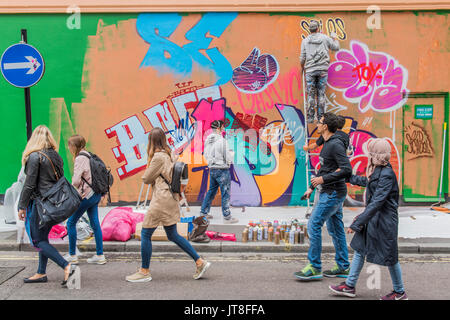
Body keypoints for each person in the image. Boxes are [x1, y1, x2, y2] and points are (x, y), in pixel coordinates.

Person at [126, 127, 211, 282]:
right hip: (171, 198)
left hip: (161, 200)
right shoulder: (169, 154)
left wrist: (149, 160)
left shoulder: (158, 157)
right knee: (172, 234)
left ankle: (144, 271)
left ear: (151, 142)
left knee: (145, 234)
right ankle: (200, 262)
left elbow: (146, 178)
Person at [329, 138, 408, 300]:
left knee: (391, 257)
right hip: (374, 219)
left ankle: (400, 292)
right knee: (360, 249)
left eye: (371, 152)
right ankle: (349, 286)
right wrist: (349, 177)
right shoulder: (381, 169)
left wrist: (358, 223)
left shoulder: (387, 174)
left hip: (384, 222)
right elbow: (369, 182)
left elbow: (377, 202)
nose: (369, 155)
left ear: (377, 154)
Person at [295, 113, 352, 281]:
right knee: (336, 230)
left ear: (325, 126)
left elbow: (346, 169)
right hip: (331, 190)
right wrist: (312, 187)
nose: (317, 125)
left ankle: (314, 267)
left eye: (319, 123)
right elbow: (326, 169)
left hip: (332, 192)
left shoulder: (334, 145)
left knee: (313, 224)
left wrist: (322, 180)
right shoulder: (328, 142)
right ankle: (343, 266)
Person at [17, 125, 76, 286]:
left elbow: (29, 185)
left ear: (33, 140)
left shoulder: (35, 157)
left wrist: (21, 206)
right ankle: (41, 272)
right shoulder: (55, 156)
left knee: (37, 240)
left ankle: (67, 266)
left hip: (39, 205)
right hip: (53, 204)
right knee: (42, 238)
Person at [64, 134, 105, 265]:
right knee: (95, 223)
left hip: (86, 195)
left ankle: (72, 255)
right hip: (95, 194)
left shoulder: (80, 158)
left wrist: (72, 183)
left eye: (69, 145)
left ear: (74, 146)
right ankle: (100, 255)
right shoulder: (89, 155)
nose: (68, 147)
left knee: (70, 223)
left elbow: (76, 181)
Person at [300, 20, 340, 123]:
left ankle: (310, 117)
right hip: (322, 70)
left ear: (310, 29)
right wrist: (334, 38)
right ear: (318, 28)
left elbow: (302, 57)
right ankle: (320, 118)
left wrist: (302, 67)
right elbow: (336, 47)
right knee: (321, 94)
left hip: (310, 70)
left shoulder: (305, 41)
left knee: (311, 94)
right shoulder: (325, 38)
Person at [200, 120, 238, 224]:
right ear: (218, 128)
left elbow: (206, 155)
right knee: (225, 193)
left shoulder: (208, 140)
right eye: (222, 127)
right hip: (222, 169)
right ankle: (227, 217)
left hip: (212, 169)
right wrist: (232, 155)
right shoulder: (222, 141)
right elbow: (228, 157)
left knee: (211, 191)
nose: (224, 129)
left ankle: (204, 213)